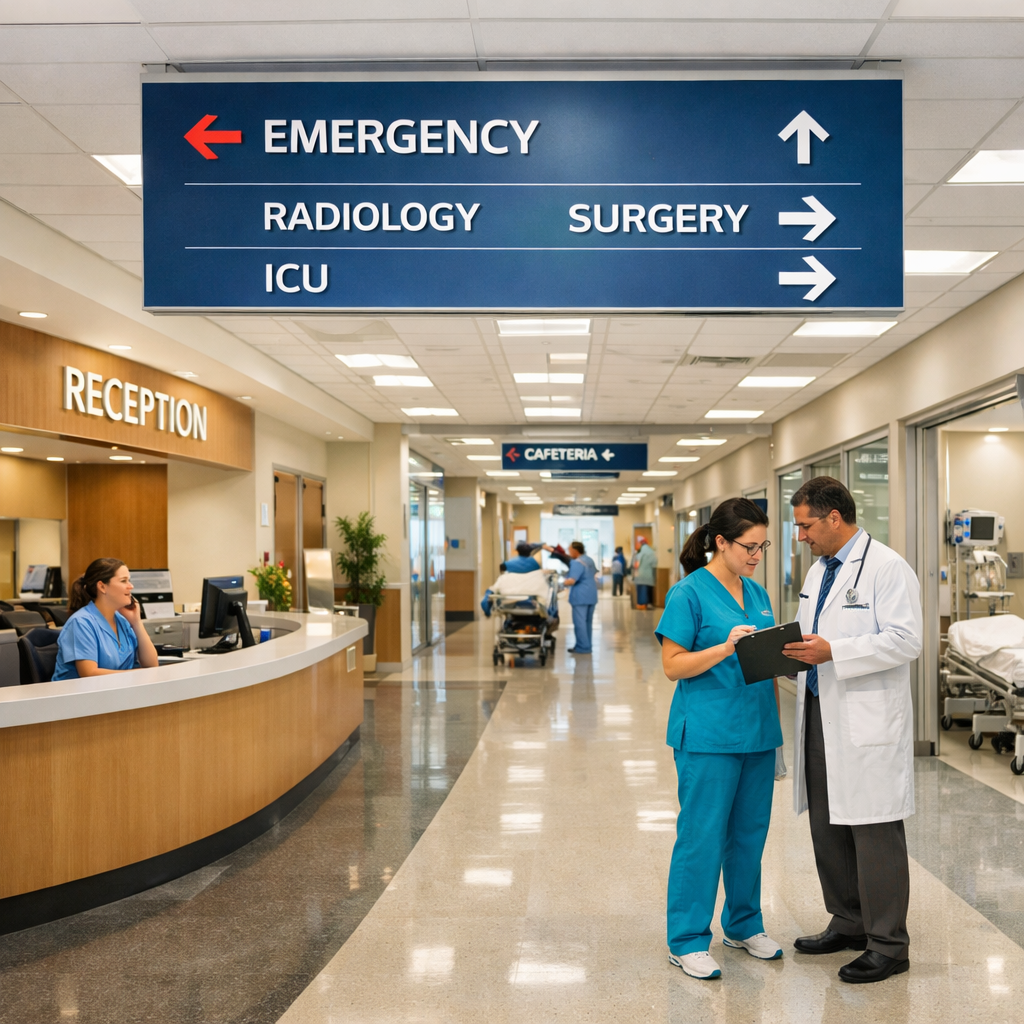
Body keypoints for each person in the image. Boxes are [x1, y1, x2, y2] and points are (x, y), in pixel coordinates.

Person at [782, 476, 922, 985]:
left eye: (805, 526)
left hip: (866, 720)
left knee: (873, 828)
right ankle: (847, 921)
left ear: (834, 518)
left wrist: (834, 652)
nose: (800, 536)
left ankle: (888, 943)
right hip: (820, 711)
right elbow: (814, 634)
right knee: (828, 822)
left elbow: (907, 640)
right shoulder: (819, 569)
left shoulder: (887, 567)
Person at [656, 498, 783, 980]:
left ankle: (744, 925)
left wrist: (777, 735)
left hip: (757, 733)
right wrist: (724, 647)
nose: (757, 556)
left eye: (763, 546)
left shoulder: (758, 592)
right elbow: (673, 666)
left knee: (749, 834)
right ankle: (687, 939)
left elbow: (765, 664)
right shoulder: (688, 593)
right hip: (708, 736)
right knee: (702, 836)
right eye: (749, 547)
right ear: (721, 542)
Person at [53, 558, 159, 681]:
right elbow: (89, 673)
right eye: (123, 581)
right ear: (102, 587)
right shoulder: (81, 622)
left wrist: (136, 622)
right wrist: (137, 674)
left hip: (118, 689)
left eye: (129, 580)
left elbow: (152, 665)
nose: (131, 586)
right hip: (81, 692)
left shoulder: (122, 621)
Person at [563, 541, 598, 654]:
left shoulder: (577, 562)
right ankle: (587, 646)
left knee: (580, 623)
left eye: (569, 550)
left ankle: (582, 647)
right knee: (588, 622)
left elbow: (572, 580)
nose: (569, 552)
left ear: (575, 551)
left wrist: (562, 582)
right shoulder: (589, 560)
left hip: (580, 596)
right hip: (591, 594)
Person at [633, 536, 658, 608]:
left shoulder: (639, 552)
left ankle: (641, 604)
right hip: (649, 574)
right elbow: (654, 563)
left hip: (640, 574)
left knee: (641, 590)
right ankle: (647, 604)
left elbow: (635, 564)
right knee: (647, 589)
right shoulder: (651, 552)